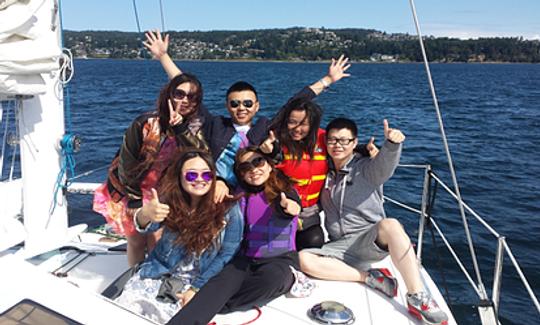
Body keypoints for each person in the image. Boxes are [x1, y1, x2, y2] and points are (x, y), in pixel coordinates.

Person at [143, 30, 349, 193]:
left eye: (248, 103)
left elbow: (295, 102)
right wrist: (163, 57)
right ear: (227, 106)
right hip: (216, 189)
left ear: (256, 106)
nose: (241, 108)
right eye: (235, 104)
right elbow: (188, 91)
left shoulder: (263, 129)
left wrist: (328, 80)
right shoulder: (216, 125)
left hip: (253, 191)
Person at [299, 118, 449, 325]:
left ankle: (417, 297)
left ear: (354, 142)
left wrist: (392, 145)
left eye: (344, 140)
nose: (338, 145)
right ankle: (372, 278)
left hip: (367, 240)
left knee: (391, 225)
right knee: (304, 260)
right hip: (338, 245)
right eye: (332, 140)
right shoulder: (325, 171)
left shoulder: (367, 169)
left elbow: (384, 166)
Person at [166, 146, 303, 325]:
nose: (253, 170)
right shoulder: (238, 192)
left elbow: (293, 206)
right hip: (243, 259)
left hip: (280, 260)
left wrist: (290, 208)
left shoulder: (284, 190)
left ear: (270, 165)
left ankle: (214, 304)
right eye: (245, 168)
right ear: (241, 174)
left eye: (258, 162)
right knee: (222, 281)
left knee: (271, 280)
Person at [115, 148, 243, 324]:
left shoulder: (228, 209)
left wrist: (197, 289)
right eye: (191, 175)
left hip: (194, 283)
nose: (199, 179)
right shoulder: (170, 200)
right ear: (180, 177)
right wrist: (145, 214)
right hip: (157, 274)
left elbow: (227, 253)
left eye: (206, 175)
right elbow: (147, 226)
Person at [93, 74, 208, 266]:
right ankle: (134, 275)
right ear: (169, 95)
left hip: (161, 193)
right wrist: (135, 201)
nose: (185, 100)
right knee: (136, 240)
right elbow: (126, 163)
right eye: (179, 94)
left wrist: (179, 128)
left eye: (192, 96)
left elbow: (201, 155)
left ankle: (152, 278)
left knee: (157, 239)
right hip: (131, 190)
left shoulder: (194, 129)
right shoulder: (145, 124)